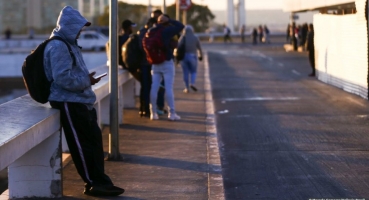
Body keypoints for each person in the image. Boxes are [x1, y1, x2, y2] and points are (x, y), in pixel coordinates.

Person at [43, 6, 124, 196]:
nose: (81, 31)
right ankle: (94, 183)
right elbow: (62, 78)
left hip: (80, 101)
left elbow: (69, 74)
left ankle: (100, 181)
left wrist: (86, 80)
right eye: (79, 27)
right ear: (70, 26)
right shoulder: (58, 46)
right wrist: (86, 81)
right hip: (68, 102)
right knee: (82, 146)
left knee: (94, 144)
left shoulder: (68, 43)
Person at [148, 14, 184, 121]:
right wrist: (169, 20)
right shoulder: (167, 31)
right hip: (166, 61)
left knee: (154, 87)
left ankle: (153, 113)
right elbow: (181, 26)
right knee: (169, 88)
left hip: (154, 63)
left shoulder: (151, 31)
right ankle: (172, 114)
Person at [137, 17, 157, 117]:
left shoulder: (142, 32)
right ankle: (146, 109)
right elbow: (142, 48)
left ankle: (144, 108)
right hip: (145, 64)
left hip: (146, 64)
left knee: (146, 87)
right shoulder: (145, 33)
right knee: (147, 87)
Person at [178, 25, 203, 93]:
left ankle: (186, 88)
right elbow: (199, 48)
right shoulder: (195, 38)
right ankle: (192, 83)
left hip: (183, 57)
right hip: (193, 56)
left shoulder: (182, 38)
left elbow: (178, 47)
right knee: (193, 71)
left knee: (185, 72)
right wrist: (201, 55)